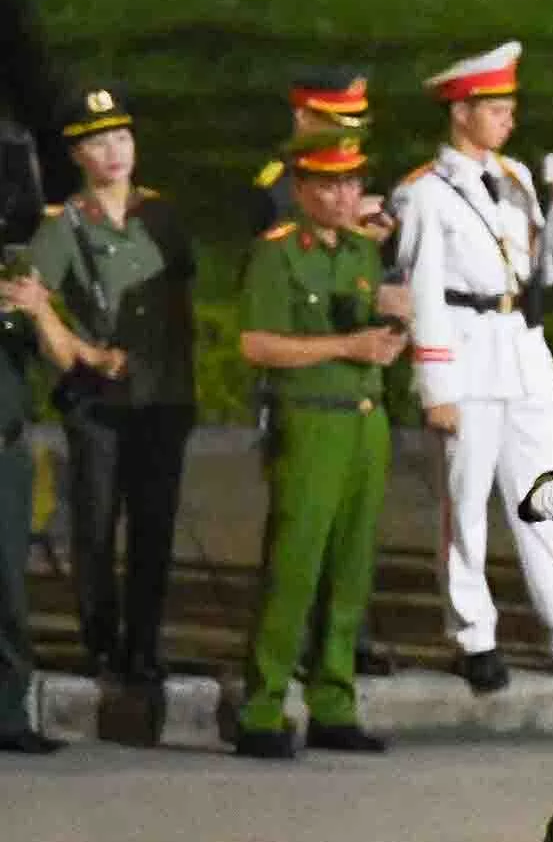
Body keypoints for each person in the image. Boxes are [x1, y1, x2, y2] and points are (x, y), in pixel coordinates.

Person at [392, 40, 553, 692]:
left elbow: (543, 270)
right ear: (461, 112)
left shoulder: (514, 178)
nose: (508, 117)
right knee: (464, 503)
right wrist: (436, 383)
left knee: (543, 493)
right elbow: (421, 289)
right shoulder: (422, 194)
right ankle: (472, 633)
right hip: (464, 349)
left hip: (519, 347)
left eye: (511, 105)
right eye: (496, 106)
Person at [232, 123, 405, 759]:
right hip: (310, 419)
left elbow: (373, 330)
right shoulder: (278, 253)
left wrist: (392, 334)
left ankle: (334, 700)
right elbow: (255, 344)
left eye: (351, 182)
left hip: (366, 418)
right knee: (295, 566)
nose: (341, 196)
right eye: (328, 184)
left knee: (351, 566)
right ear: (301, 188)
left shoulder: (363, 252)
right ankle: (262, 705)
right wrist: (344, 346)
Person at [26, 83, 197, 687]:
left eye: (122, 138)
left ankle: (145, 643)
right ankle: (99, 639)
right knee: (97, 525)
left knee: (155, 524)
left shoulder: (161, 215)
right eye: (98, 144)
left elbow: (181, 295)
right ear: (77, 156)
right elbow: (31, 297)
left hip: (163, 396)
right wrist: (82, 351)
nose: (115, 153)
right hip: (100, 402)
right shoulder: (66, 225)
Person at [0, 259, 91, 752]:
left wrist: (39, 309)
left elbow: (63, 359)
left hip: (5, 456)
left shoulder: (12, 287)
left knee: (8, 590)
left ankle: (8, 715)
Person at [242, 65, 379, 239]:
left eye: (355, 118)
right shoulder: (280, 186)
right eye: (337, 120)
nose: (349, 132)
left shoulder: (358, 168)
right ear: (303, 118)